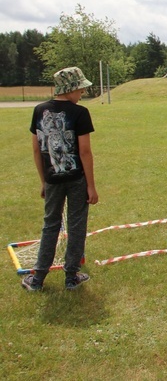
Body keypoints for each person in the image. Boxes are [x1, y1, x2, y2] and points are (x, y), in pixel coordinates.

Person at [22, 67, 98, 291]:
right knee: (76, 226)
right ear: (70, 88)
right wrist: (91, 187)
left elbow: (37, 150)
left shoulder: (39, 110)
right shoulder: (80, 113)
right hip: (76, 180)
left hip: (52, 179)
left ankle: (37, 279)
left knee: (50, 225)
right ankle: (71, 277)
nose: (82, 94)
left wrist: (44, 180)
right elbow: (84, 152)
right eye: (80, 89)